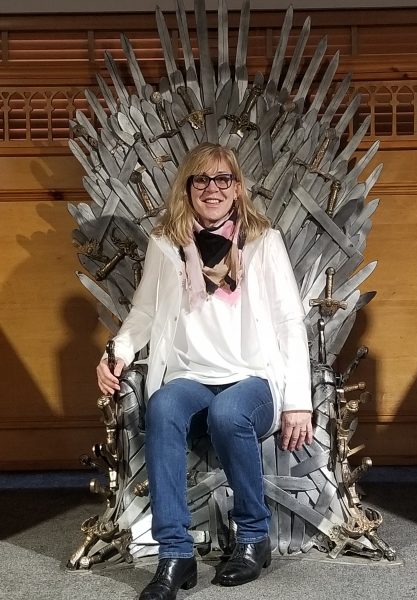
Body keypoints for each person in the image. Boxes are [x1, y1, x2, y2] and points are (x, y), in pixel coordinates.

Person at [96, 142, 313, 600]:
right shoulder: (165, 243)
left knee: (229, 414)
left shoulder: (264, 242)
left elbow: (290, 321)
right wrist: (116, 351)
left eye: (223, 180)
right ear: (189, 188)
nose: (212, 189)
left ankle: (254, 538)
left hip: (252, 376)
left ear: (237, 188)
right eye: (202, 180)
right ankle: (175, 556)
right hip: (190, 375)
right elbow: (145, 313)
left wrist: (298, 401)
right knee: (163, 407)